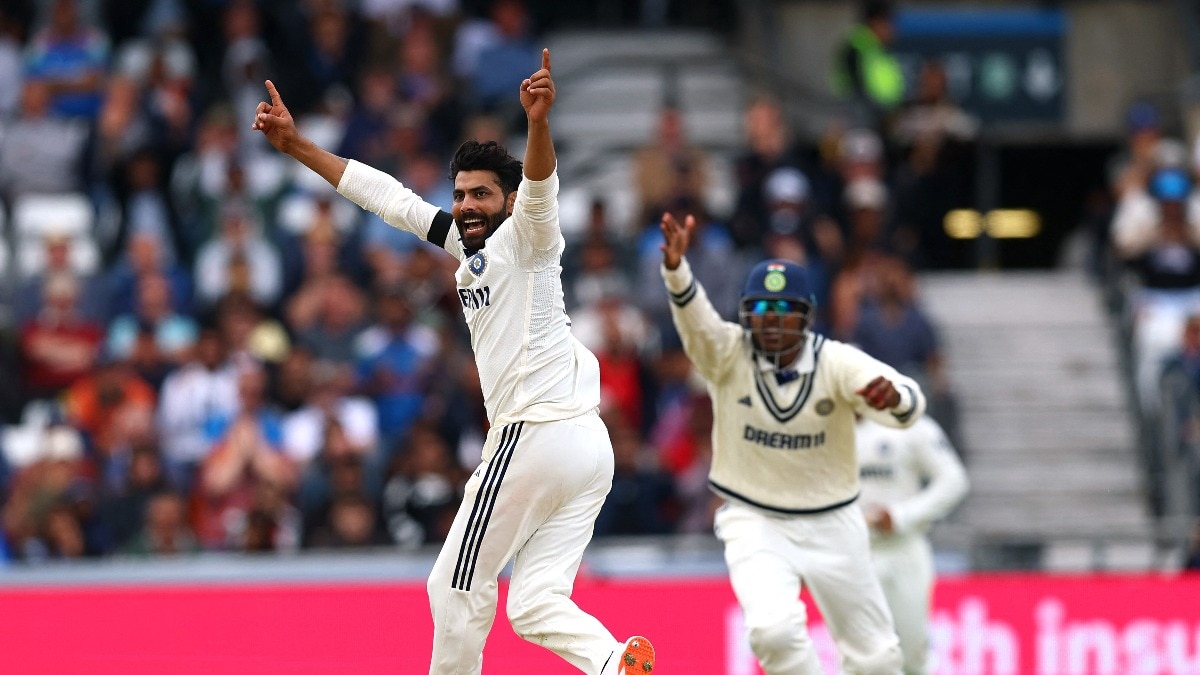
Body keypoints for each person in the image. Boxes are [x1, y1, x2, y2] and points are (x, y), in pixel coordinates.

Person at [251, 49, 655, 675]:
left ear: (509, 201)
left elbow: (541, 186)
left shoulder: (528, 235)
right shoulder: (469, 248)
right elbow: (390, 199)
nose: (466, 205)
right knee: (536, 604)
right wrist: (299, 147)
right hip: (585, 447)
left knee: (453, 585)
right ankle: (614, 664)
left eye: (481, 195)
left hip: (535, 432)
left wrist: (538, 123)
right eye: (461, 193)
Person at [659, 211, 927, 674]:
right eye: (761, 308)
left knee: (879, 658)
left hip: (833, 521)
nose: (772, 319)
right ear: (746, 314)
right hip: (755, 519)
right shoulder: (727, 354)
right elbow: (697, 322)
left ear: (806, 316)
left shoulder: (836, 361)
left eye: (785, 308)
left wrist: (895, 399)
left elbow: (909, 401)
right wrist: (677, 271)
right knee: (773, 633)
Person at [855, 415, 969, 674]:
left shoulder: (907, 423)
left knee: (911, 658)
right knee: (859, 658)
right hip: (853, 555)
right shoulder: (826, 424)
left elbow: (954, 480)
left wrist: (900, 516)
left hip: (903, 550)